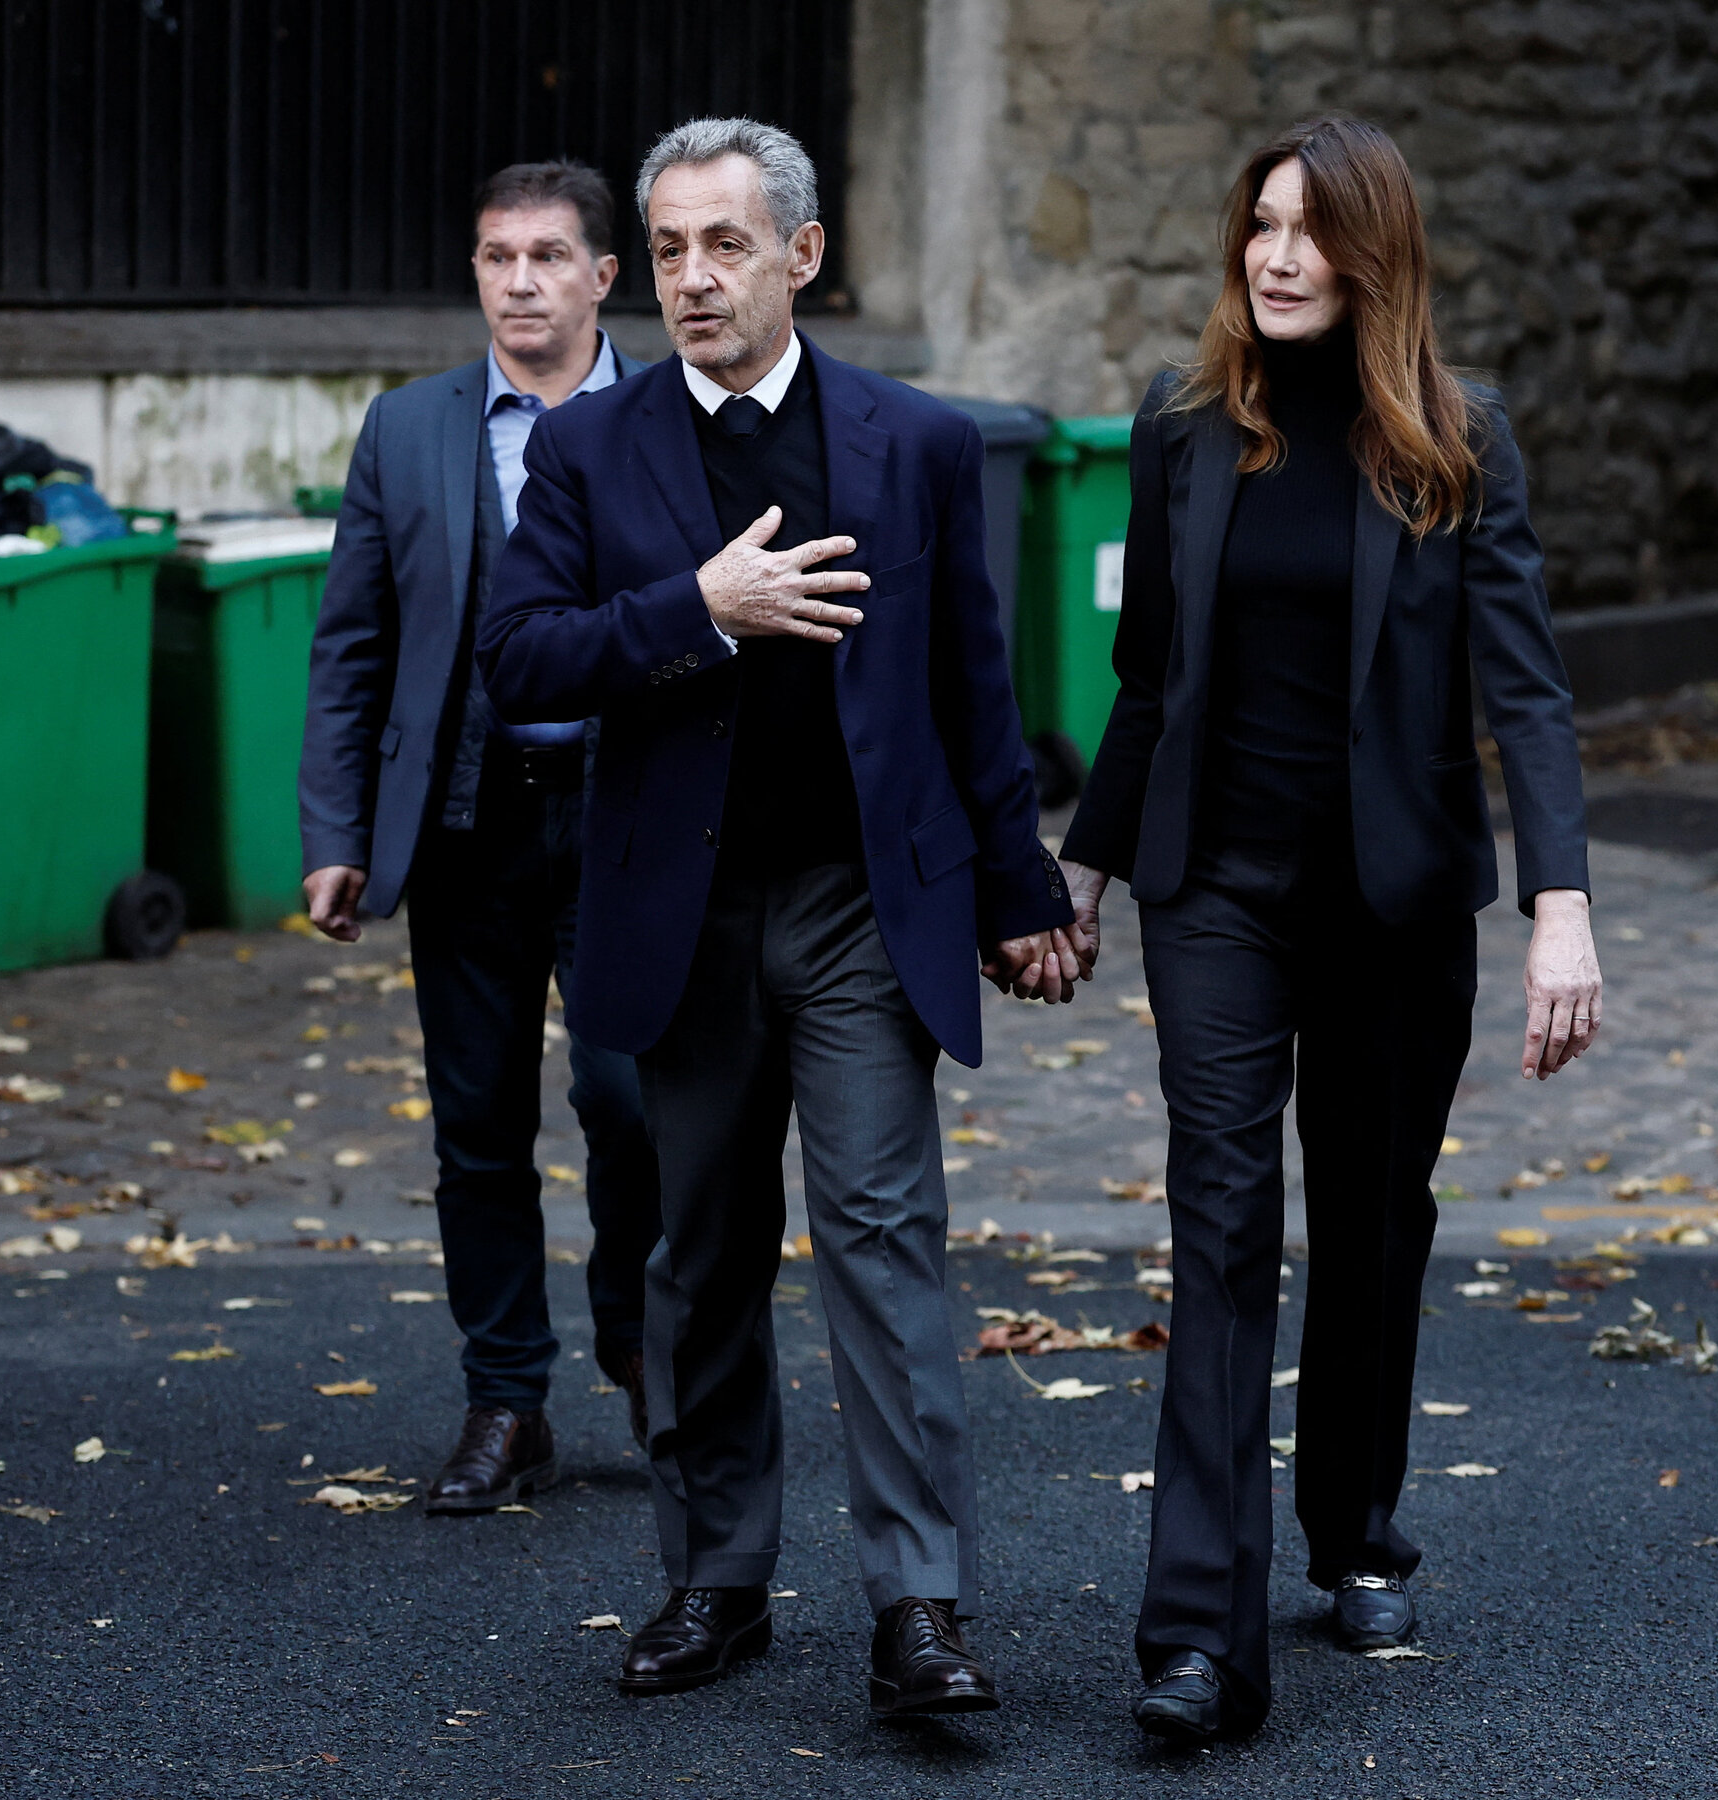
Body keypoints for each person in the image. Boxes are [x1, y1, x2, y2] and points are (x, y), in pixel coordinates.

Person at [477, 117, 1079, 1712]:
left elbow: (971, 684)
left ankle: (919, 1607)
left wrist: (1020, 894)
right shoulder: (590, 449)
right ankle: (718, 1579)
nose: (692, 278)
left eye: (725, 244)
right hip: (682, 910)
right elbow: (521, 658)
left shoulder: (916, 442)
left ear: (802, 256)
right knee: (707, 1255)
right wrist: (698, 610)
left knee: (882, 1240)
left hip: (860, 906)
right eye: (671, 248)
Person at [1058, 115, 1601, 1743]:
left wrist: (1561, 910)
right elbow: (1147, 682)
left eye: (1313, 231)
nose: (1279, 257)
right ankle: (1195, 1640)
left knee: (1372, 1222)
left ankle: (1355, 1527)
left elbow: (1528, 692)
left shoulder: (1456, 438)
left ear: (1377, 255)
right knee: (1221, 1228)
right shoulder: (1182, 429)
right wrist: (1083, 871)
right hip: (1216, 891)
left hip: (1394, 904)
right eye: (1261, 225)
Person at [298, 159, 663, 1509]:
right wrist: (334, 829)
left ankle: (638, 1333)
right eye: (497, 258)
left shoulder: (674, 417)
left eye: (548, 257)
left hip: (627, 820)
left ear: (603, 277)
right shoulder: (407, 429)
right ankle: (507, 1399)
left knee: (633, 1104)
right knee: (476, 1126)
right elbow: (352, 645)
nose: (520, 283)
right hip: (462, 822)